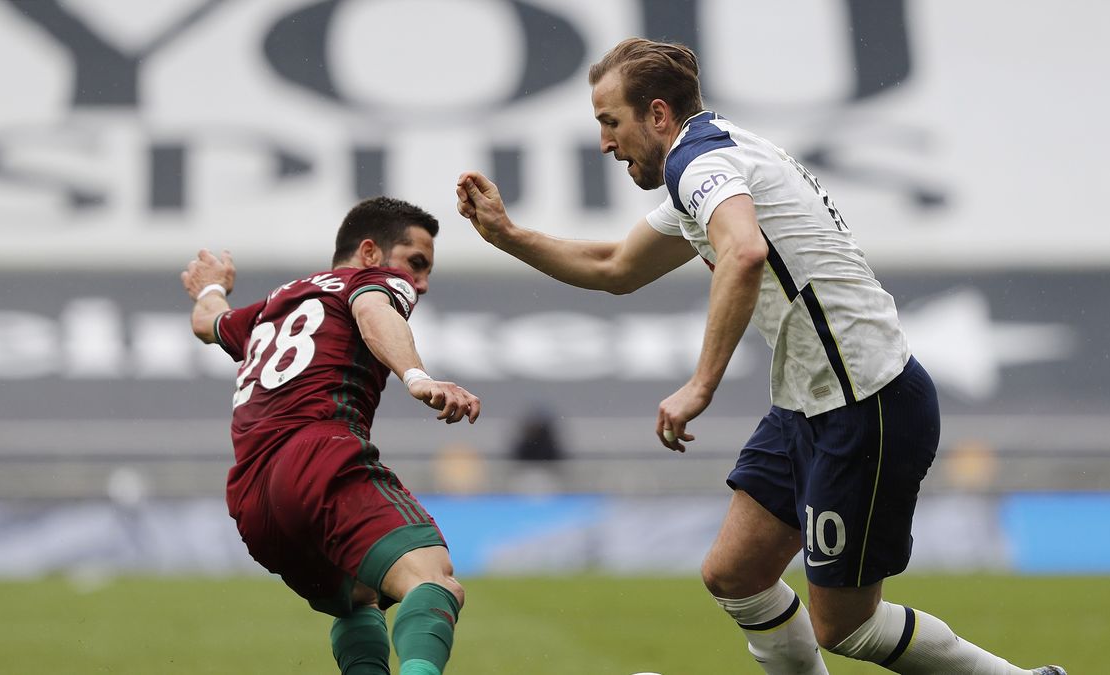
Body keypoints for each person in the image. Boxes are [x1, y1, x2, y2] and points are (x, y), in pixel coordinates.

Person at [456, 38, 1066, 675]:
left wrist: (700, 384)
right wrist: (509, 235)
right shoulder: (713, 156)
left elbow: (743, 253)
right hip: (809, 403)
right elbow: (616, 268)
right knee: (735, 573)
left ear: (657, 116)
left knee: (846, 625)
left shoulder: (699, 163)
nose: (606, 143)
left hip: (866, 403)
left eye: (611, 122)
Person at [181, 197, 480, 675]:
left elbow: (207, 323)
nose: (420, 282)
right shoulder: (370, 281)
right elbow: (373, 312)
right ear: (369, 252)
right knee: (434, 583)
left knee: (361, 598)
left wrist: (211, 286)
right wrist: (416, 376)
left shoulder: (276, 304)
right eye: (417, 264)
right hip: (319, 455)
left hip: (252, 497)